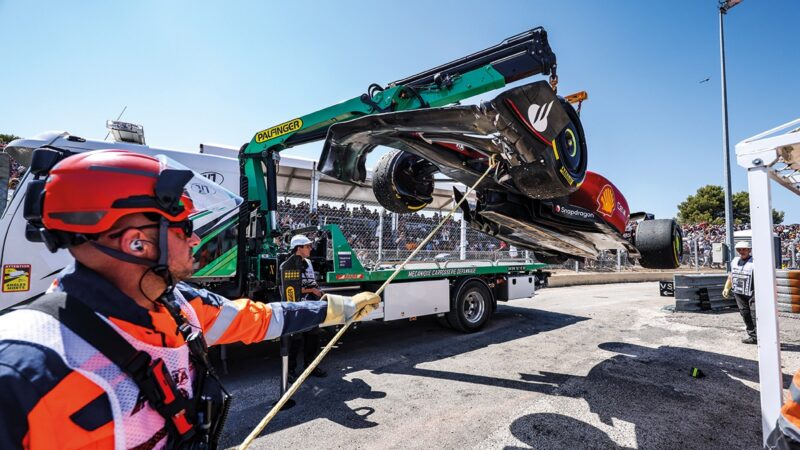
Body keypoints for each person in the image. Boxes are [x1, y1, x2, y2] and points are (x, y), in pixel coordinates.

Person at [0, 149, 379, 449]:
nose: (196, 239)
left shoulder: (178, 305)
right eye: (184, 227)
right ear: (137, 241)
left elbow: (263, 318)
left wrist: (341, 307)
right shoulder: (23, 367)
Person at [282, 234, 326, 379]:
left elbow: (312, 282)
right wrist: (312, 290)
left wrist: (317, 290)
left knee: (313, 336)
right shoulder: (287, 264)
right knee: (295, 339)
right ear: (298, 248)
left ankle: (311, 367)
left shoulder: (308, 262)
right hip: (296, 306)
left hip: (310, 304)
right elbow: (291, 289)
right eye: (307, 246)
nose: (310, 249)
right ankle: (289, 371)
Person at [723, 240, 757, 344]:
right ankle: (753, 336)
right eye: (739, 249)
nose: (741, 251)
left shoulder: (755, 262)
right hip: (739, 292)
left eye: (744, 249)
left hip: (752, 292)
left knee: (755, 314)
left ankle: (762, 336)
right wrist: (726, 287)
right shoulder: (735, 261)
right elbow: (731, 275)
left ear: (749, 250)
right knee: (745, 313)